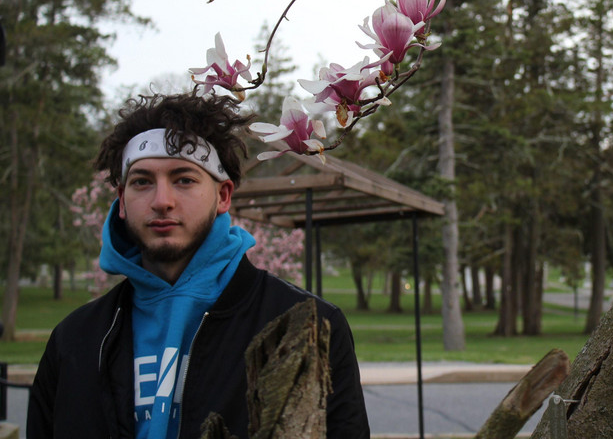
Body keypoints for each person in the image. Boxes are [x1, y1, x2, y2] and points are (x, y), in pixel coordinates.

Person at [27, 92, 370, 439]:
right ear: (122, 202)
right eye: (142, 181)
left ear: (223, 196)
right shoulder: (75, 341)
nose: (162, 201)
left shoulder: (307, 325)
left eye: (184, 180)